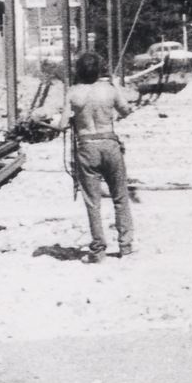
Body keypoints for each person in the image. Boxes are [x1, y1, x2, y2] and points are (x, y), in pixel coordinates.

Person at [42, 50, 135, 262]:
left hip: (86, 147)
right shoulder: (109, 89)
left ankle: (98, 249)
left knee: (93, 202)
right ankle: (126, 245)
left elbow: (63, 124)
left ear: (79, 71)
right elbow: (126, 110)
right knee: (120, 196)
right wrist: (117, 93)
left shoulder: (73, 93)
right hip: (109, 143)